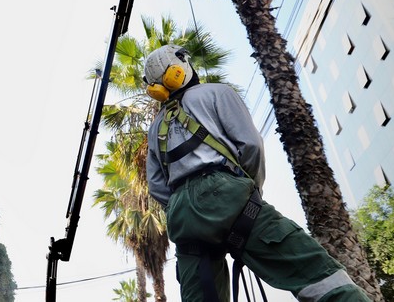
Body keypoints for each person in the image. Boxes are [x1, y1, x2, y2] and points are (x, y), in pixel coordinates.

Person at [142, 44, 370, 302]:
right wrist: (251, 192)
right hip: (226, 194)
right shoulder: (216, 93)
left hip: (182, 216)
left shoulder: (155, 128)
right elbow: (250, 145)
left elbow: (157, 186)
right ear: (180, 68)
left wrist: (181, 206)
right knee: (318, 274)